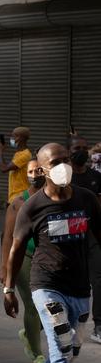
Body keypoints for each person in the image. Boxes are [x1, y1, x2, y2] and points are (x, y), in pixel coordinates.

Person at [5, 143, 101, 363]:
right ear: (42, 170)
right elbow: (17, 248)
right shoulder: (33, 206)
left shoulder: (86, 199)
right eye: (55, 162)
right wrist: (9, 287)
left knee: (72, 350)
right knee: (61, 345)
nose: (63, 166)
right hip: (46, 285)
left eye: (66, 160)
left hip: (79, 287)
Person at [0, 158, 47, 363]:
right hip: (24, 258)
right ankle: (38, 356)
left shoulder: (55, 198)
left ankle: (29, 333)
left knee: (52, 311)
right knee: (33, 306)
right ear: (25, 174)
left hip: (49, 260)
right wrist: (5, 267)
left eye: (39, 170)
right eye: (31, 171)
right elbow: (8, 237)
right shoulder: (18, 203)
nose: (36, 174)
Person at [67, 138, 101, 344]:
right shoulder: (64, 178)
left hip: (92, 233)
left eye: (83, 148)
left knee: (98, 278)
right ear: (69, 151)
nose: (80, 152)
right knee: (74, 280)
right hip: (69, 235)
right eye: (75, 148)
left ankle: (98, 325)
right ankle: (73, 322)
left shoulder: (96, 177)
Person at [0, 126, 33, 202]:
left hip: (20, 196)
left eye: (13, 136)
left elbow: (3, 169)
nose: (11, 138)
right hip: (15, 195)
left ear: (20, 138)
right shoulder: (18, 154)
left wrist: (0, 152)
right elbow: (6, 167)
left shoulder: (25, 155)